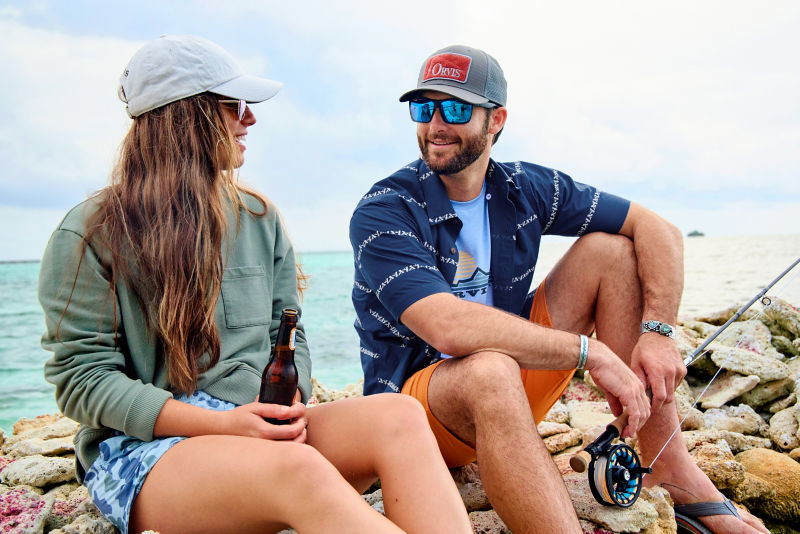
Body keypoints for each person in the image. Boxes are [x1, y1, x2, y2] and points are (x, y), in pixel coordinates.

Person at [39, 35, 472, 534]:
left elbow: (288, 331)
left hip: (255, 428)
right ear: (186, 117)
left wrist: (292, 403)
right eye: (235, 105)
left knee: (399, 415)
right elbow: (83, 381)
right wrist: (223, 426)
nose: (250, 119)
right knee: (302, 471)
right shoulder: (89, 232)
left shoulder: (260, 219)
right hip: (148, 453)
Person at [349, 45, 769, 534]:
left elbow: (658, 228)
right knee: (488, 367)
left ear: (496, 120)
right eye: (424, 108)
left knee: (610, 250)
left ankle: (669, 468)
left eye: (456, 108)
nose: (436, 124)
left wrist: (657, 332)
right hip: (414, 411)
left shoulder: (523, 187)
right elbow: (446, 327)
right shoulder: (385, 209)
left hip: (510, 384)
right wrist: (592, 353)